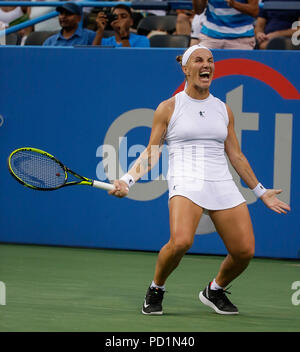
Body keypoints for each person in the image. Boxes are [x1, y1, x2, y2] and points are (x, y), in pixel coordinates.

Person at [108, 44, 290, 315]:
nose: (206, 65)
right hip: (186, 179)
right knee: (181, 241)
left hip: (221, 181)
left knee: (244, 251)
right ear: (185, 68)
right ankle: (156, 288)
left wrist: (261, 191)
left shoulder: (222, 109)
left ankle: (214, 290)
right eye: (198, 61)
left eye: (210, 61)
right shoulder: (169, 108)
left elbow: (237, 156)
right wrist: (127, 180)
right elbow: (151, 152)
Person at [192, 0, 259, 49]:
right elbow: (198, 11)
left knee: (239, 68)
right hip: (210, 36)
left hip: (241, 37)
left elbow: (254, 10)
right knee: (200, 64)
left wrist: (234, 4)